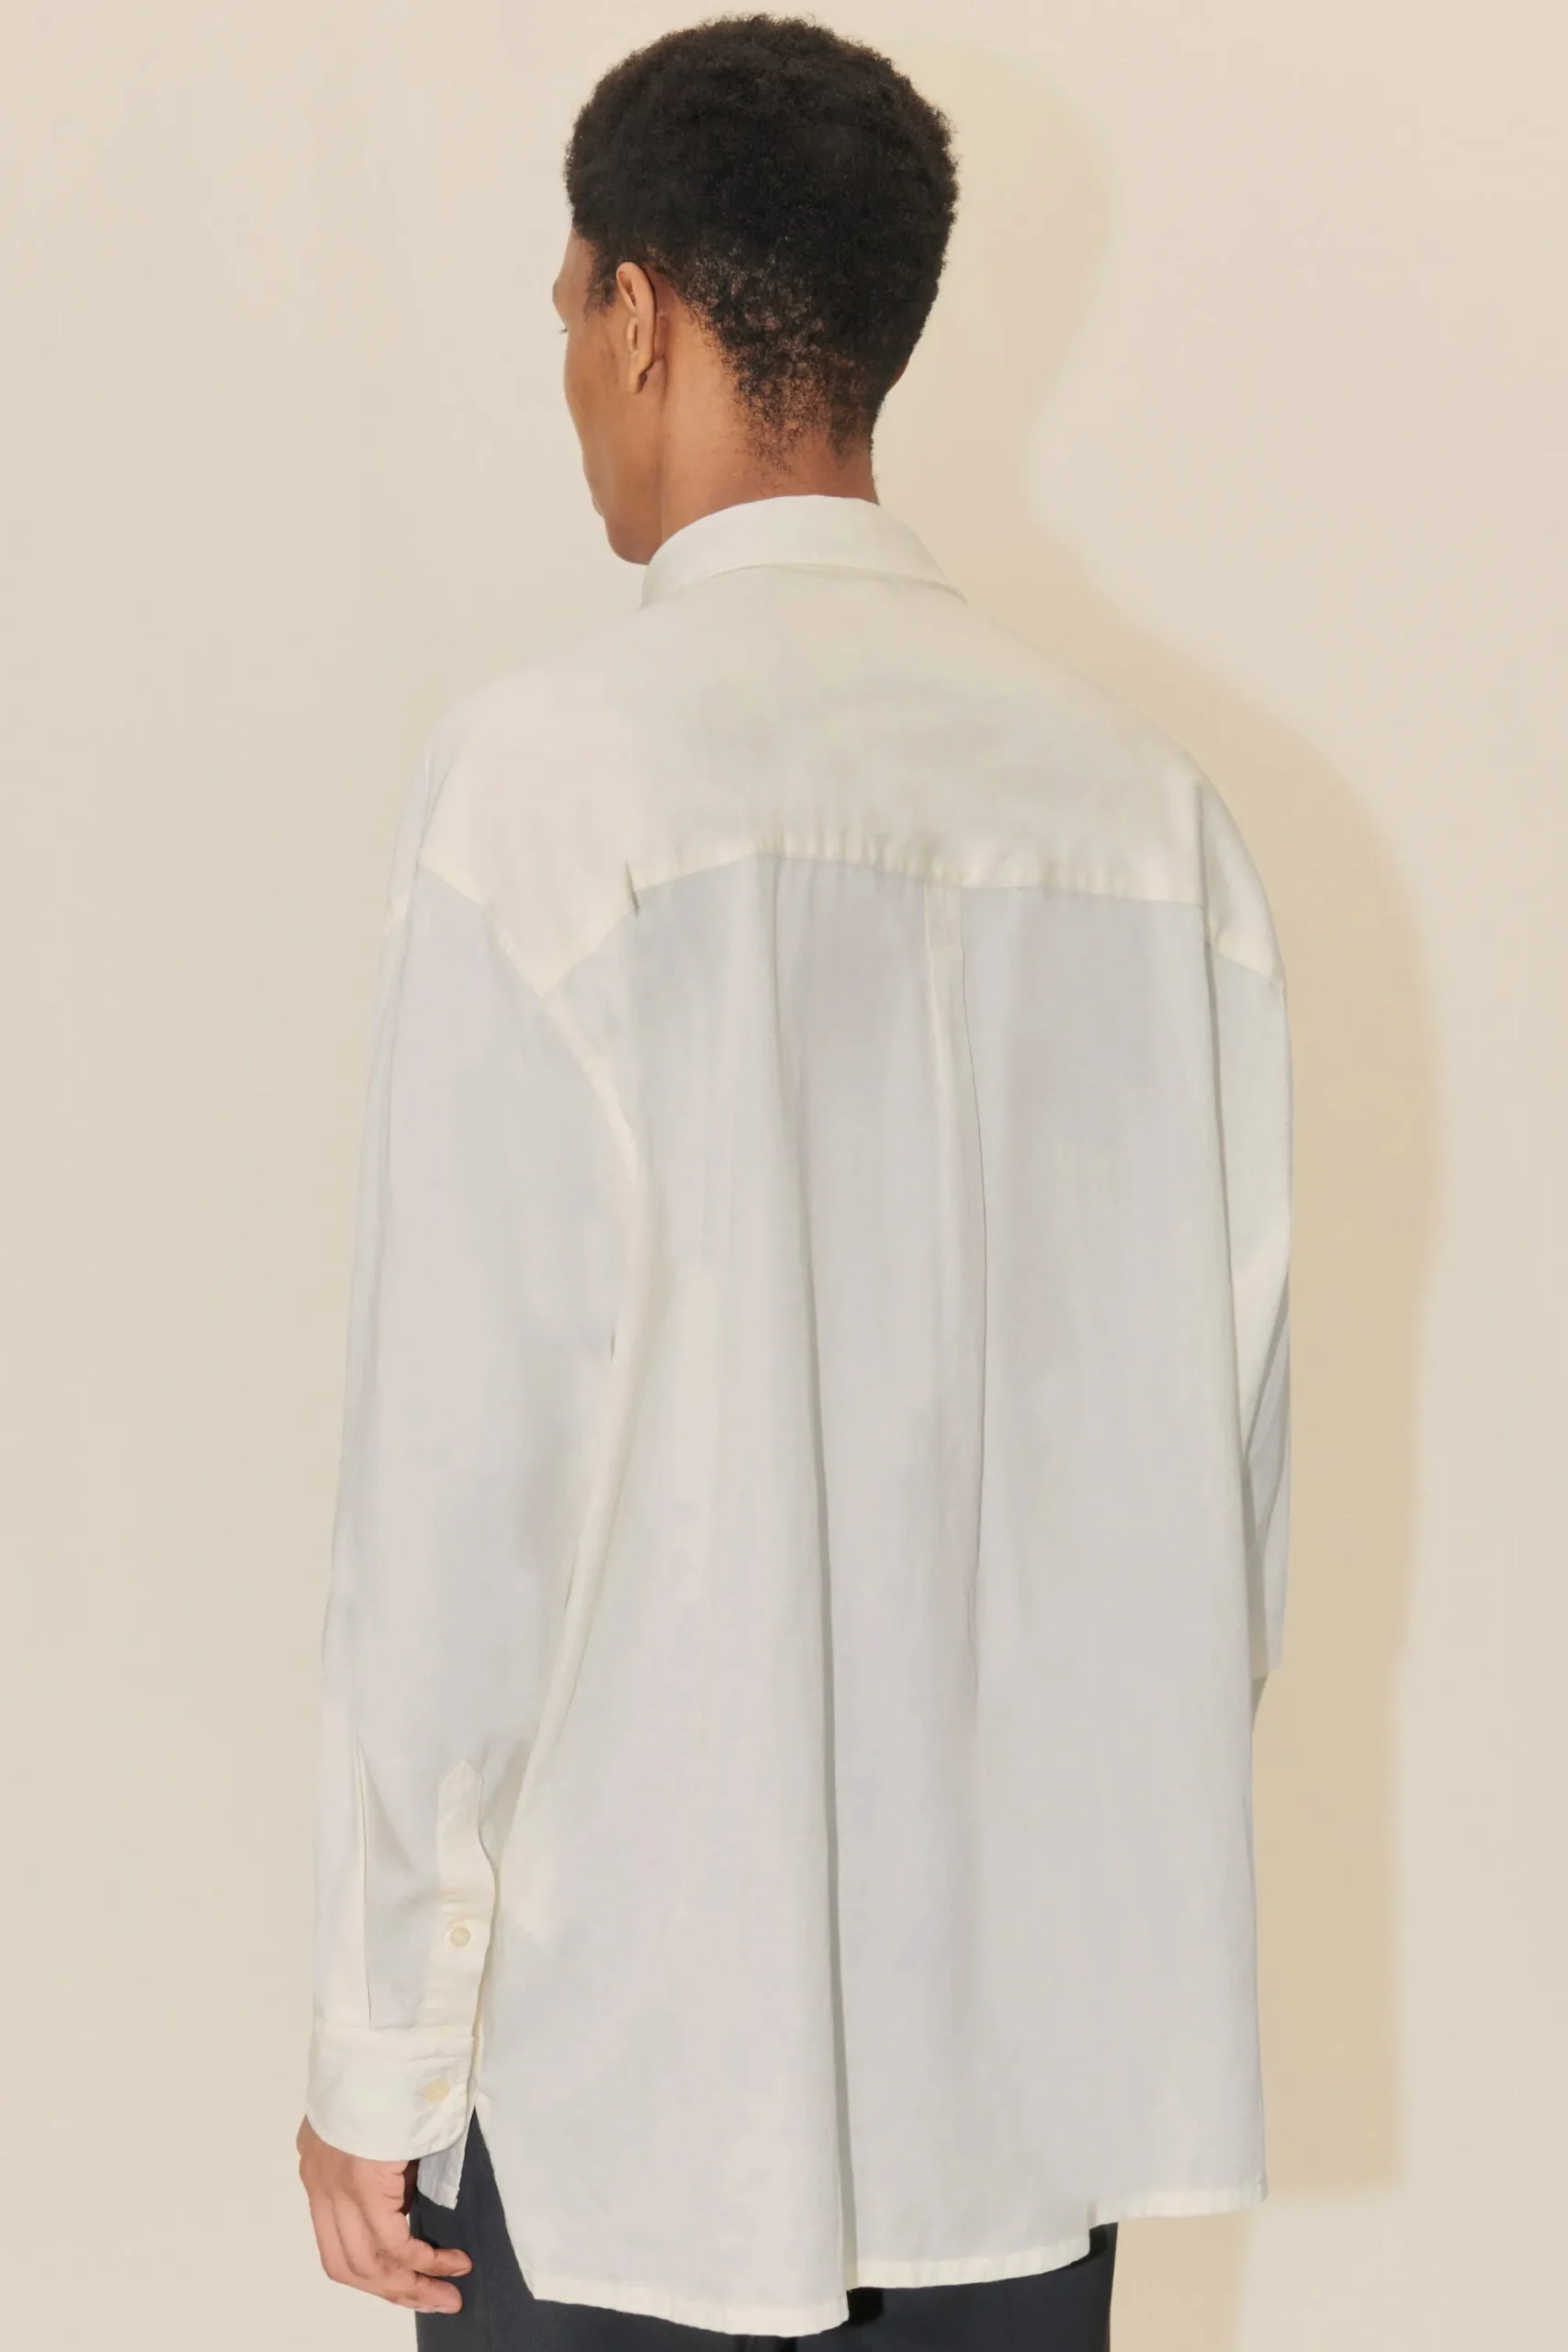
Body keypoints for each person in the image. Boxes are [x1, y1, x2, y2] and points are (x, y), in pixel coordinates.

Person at [296, 17, 1292, 2352]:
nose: (568, 372)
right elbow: (1218, 1488)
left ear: (640, 314)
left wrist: (377, 2038)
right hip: (1021, 2104)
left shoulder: (546, 789)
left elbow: (457, 1489)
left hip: (622, 2103)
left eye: (569, 311)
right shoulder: (1150, 819)